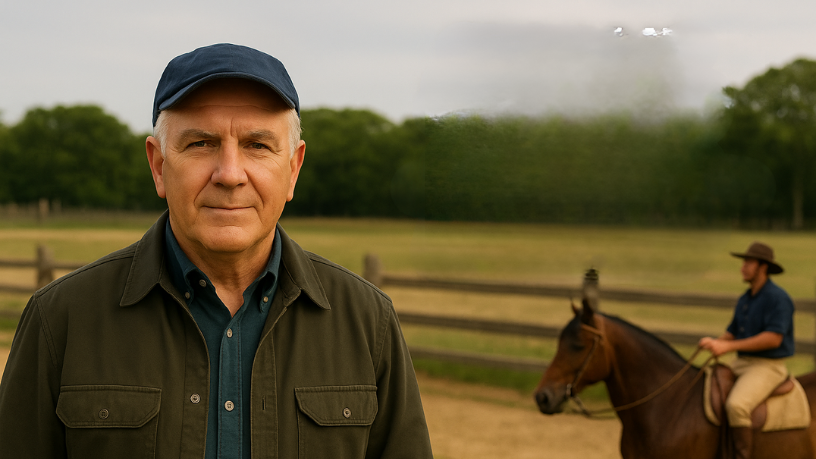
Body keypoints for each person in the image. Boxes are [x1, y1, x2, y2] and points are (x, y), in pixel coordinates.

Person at [0, 43, 433, 458]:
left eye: (257, 145)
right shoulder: (61, 320)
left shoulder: (368, 322)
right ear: (159, 166)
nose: (229, 174)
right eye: (201, 143)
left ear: (294, 169)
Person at [699, 241, 794, 459]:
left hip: (768, 366)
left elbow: (773, 338)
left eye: (748, 262)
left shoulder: (778, 298)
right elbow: (733, 332)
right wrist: (715, 342)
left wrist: (727, 346)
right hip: (742, 363)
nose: (742, 267)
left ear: (762, 267)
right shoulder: (746, 298)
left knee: (737, 406)